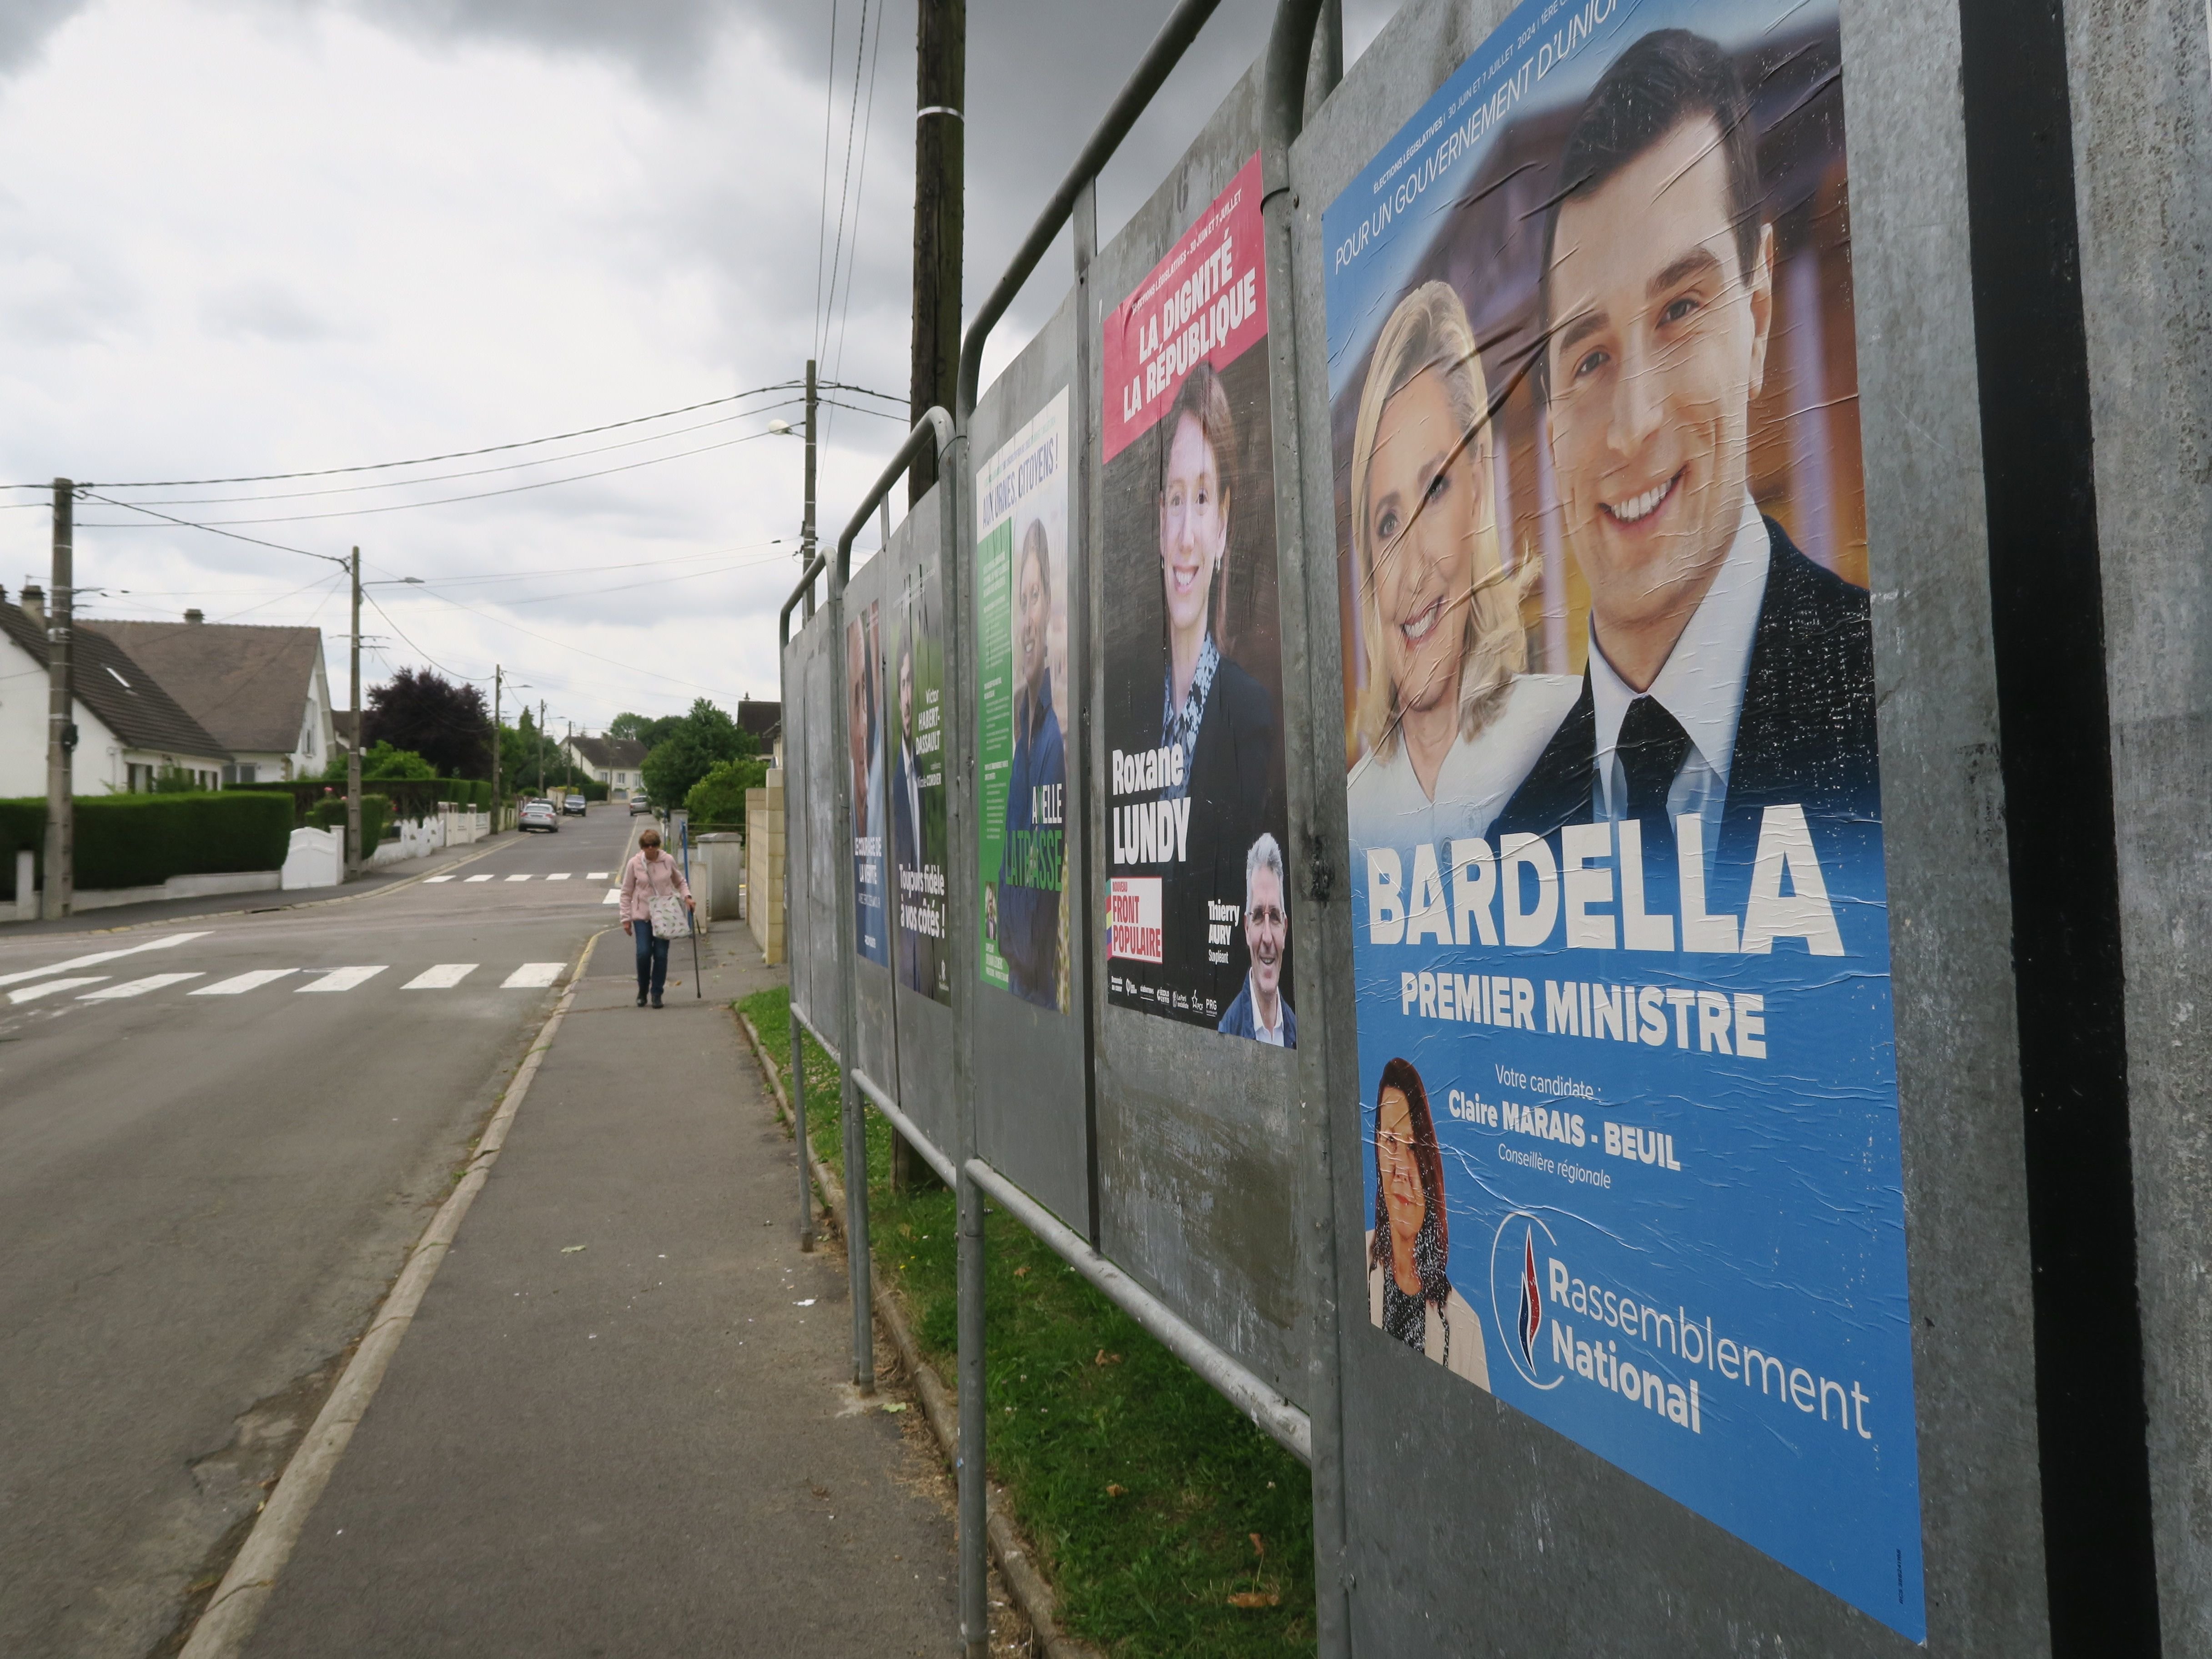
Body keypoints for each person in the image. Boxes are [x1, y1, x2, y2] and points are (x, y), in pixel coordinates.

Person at [1493, 30, 1879, 873]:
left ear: (1759, 310)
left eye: (1678, 309)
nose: (1632, 425)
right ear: (1550, 421)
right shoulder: (1508, 844)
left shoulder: (1894, 716)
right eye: (1588, 357)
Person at [1343, 280, 1581, 853]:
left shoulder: (1571, 735)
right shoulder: (1354, 815)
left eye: (1435, 491)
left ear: (1477, 489)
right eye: (1387, 521)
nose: (1411, 568)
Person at [1152, 364, 1279, 1014]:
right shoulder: (1133, 711)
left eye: (1202, 498)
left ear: (1225, 524)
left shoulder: (1251, 715)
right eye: (1175, 497)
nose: (1184, 535)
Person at [1366, 1057, 1487, 1385]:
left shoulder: (1466, 1327)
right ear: (1376, 1148)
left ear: (1430, 1167)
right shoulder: (1352, 1258)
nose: (1402, 1169)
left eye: (1413, 1148)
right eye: (1391, 1142)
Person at [999, 519, 1066, 1008]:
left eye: (1035, 596)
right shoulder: (1024, 736)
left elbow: (1036, 914)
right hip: (1019, 980)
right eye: (1021, 601)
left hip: (1038, 988)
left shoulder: (1053, 740)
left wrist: (1012, 942)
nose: (1026, 617)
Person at [1217, 833, 1296, 1046]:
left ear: (1285, 929)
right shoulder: (1226, 1032)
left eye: (1276, 917)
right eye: (1259, 916)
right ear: (1246, 928)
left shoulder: (1301, 1034)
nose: (1268, 938)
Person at [620, 825, 692, 1009]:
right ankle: (643, 989)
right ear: (642, 847)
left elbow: (680, 882)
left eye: (654, 845)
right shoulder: (634, 864)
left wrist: (688, 898)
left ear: (658, 845)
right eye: (646, 845)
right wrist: (626, 919)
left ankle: (657, 993)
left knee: (661, 955)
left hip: (664, 915)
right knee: (643, 953)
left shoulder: (667, 860)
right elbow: (626, 892)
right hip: (642, 915)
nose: (650, 849)